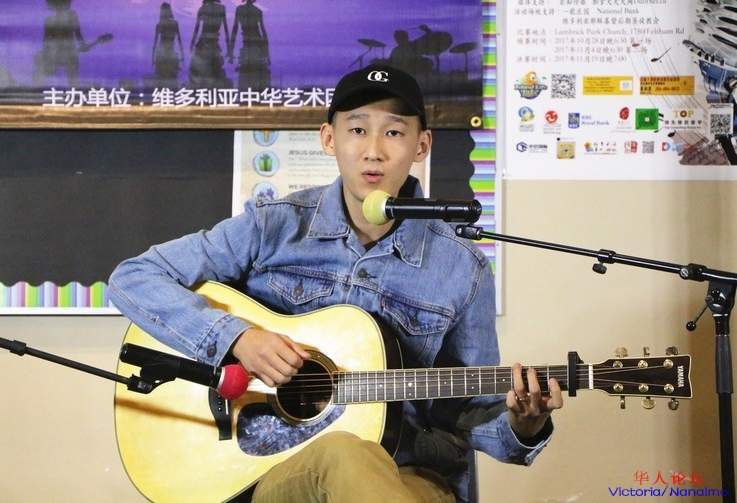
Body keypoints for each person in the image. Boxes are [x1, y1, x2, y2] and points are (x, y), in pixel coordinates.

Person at [108, 64, 563, 502]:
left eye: (394, 132)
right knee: (341, 451)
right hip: (276, 475)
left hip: (406, 475)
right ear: (329, 138)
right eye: (358, 129)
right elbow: (134, 277)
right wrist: (237, 339)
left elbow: (468, 411)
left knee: (350, 455)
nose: (374, 151)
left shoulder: (463, 268)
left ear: (421, 145)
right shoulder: (273, 225)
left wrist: (523, 425)